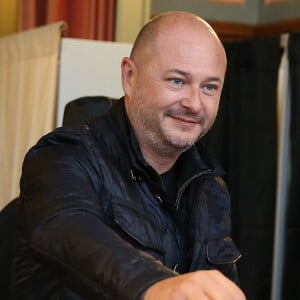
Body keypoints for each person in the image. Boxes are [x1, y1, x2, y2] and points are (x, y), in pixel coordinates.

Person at [13, 11, 246, 300]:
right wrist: (155, 285)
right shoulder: (61, 157)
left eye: (209, 87)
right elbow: (67, 227)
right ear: (129, 77)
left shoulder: (211, 189)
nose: (194, 103)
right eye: (177, 81)